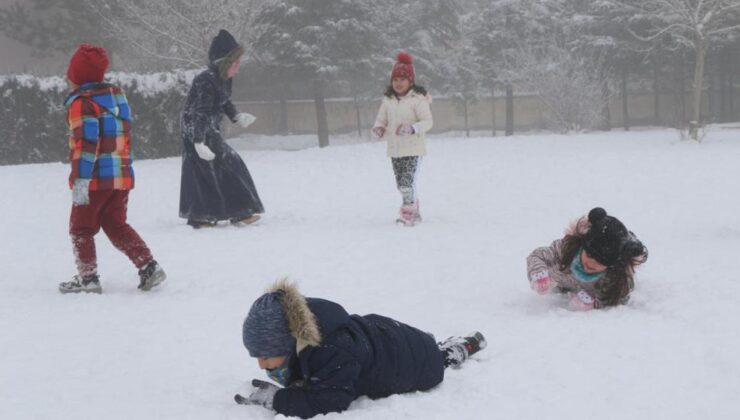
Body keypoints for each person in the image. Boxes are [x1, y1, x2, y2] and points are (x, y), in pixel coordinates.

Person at [238, 279, 486, 418]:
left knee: (436, 358)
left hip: (412, 365)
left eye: (266, 356)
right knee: (424, 348)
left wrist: (280, 400)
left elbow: (331, 401)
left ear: (288, 342)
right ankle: (441, 346)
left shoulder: (332, 350)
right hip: (386, 339)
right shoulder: (308, 328)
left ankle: (458, 349)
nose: (261, 365)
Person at [58, 44, 166, 294]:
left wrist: (80, 180)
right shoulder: (117, 99)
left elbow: (86, 145)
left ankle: (88, 279)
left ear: (77, 77)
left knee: (81, 228)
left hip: (94, 180)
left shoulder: (81, 104)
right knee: (116, 224)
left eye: (70, 74)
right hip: (121, 178)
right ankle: (148, 266)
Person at [179, 29, 264, 229]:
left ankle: (240, 211)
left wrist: (236, 115)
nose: (238, 65)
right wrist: (198, 142)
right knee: (202, 171)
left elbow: (223, 101)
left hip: (209, 126)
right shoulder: (205, 80)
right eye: (236, 62)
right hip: (195, 127)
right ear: (223, 62)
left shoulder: (223, 78)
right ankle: (201, 217)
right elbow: (201, 112)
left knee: (230, 163)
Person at [527, 207, 648, 310]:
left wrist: (592, 304)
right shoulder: (567, 250)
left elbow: (616, 298)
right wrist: (539, 274)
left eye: (601, 261)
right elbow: (538, 255)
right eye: (590, 255)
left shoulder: (612, 277)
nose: (591, 263)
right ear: (582, 247)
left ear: (611, 264)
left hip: (584, 290)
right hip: (560, 283)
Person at [371, 52, 433, 226]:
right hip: (395, 150)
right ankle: (414, 208)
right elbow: (381, 119)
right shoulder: (388, 100)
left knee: (407, 183)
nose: (398, 83)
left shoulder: (418, 100)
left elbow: (428, 122)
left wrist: (412, 128)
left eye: (402, 79)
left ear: (410, 81)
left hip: (414, 149)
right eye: (395, 79)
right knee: (401, 184)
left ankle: (408, 214)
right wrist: (378, 129)